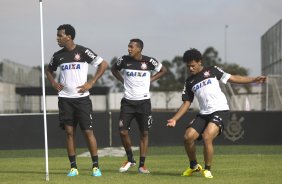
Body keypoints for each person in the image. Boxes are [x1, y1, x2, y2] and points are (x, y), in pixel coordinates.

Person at [166, 48, 266, 178]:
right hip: (204, 113)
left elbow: (232, 77)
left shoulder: (212, 70)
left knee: (207, 136)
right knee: (188, 137)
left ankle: (207, 169)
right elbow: (186, 103)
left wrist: (253, 79)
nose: (190, 68)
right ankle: (194, 166)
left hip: (220, 109)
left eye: (193, 65)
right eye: (188, 66)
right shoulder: (189, 82)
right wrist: (175, 119)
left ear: (199, 62)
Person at [45, 24, 108, 177]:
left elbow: (103, 64)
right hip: (65, 99)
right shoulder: (57, 55)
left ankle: (95, 167)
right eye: (57, 35)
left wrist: (91, 83)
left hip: (82, 100)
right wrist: (53, 83)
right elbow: (48, 70)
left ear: (69, 37)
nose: (57, 38)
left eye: (60, 35)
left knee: (88, 132)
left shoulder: (83, 51)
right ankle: (73, 168)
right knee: (69, 133)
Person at [111, 38, 167, 174]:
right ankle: (130, 159)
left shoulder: (149, 61)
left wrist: (150, 80)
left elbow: (164, 70)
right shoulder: (123, 60)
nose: (129, 49)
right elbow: (114, 69)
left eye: (131, 47)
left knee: (144, 133)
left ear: (139, 49)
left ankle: (142, 165)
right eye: (128, 46)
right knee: (122, 131)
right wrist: (122, 80)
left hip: (143, 103)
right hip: (128, 103)